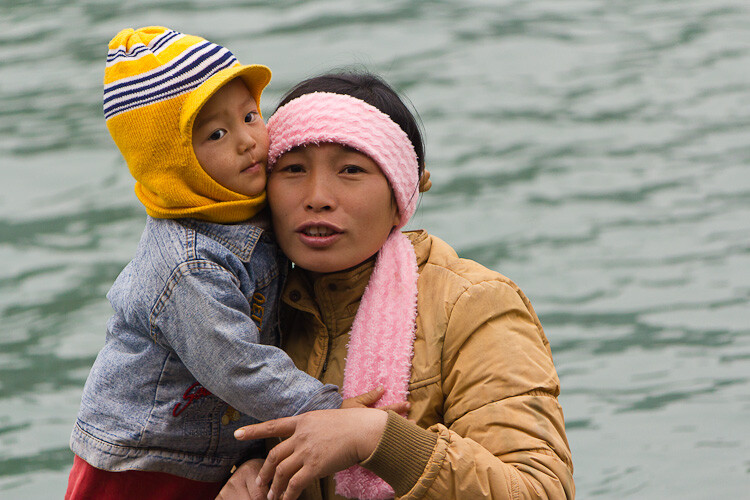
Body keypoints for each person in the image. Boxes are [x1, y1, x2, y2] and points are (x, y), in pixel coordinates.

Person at [217, 73, 575, 500]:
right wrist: (247, 473)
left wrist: (379, 440)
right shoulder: (241, 308)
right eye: (293, 169)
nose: (317, 196)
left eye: (351, 169)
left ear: (399, 193)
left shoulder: (474, 305)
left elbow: (540, 491)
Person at [66, 28, 387, 500]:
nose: (247, 141)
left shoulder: (242, 205)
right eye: (217, 133)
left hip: (205, 446)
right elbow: (235, 364)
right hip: (142, 457)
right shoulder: (186, 263)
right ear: (172, 163)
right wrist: (329, 409)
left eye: (251, 115)